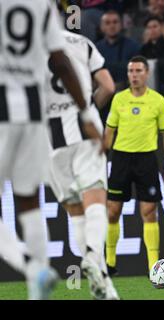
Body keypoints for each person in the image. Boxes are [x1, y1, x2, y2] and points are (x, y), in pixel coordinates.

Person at [0, 0, 102, 299]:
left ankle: (31, 266)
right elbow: (60, 61)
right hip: (33, 114)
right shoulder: (41, 6)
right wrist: (86, 114)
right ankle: (38, 285)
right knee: (29, 200)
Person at [45, 28, 119, 300]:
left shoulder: (22, 52)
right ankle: (91, 255)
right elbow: (108, 86)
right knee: (96, 199)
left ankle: (106, 288)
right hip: (85, 133)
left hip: (48, 142)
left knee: (75, 211)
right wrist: (89, 107)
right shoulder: (81, 43)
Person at [104, 56, 164, 276]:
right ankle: (109, 262)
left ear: (147, 73)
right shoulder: (118, 99)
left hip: (146, 160)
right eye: (130, 71)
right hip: (121, 159)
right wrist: (101, 159)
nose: (133, 75)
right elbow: (109, 132)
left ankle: (154, 267)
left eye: (138, 70)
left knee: (149, 212)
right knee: (113, 211)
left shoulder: (158, 101)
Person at [96, 10, 142, 92]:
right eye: (107, 23)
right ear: (102, 27)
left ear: (121, 25)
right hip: (104, 90)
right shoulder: (97, 48)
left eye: (115, 22)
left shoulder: (133, 46)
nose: (112, 26)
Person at [140, 15, 164, 96]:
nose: (152, 30)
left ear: (161, 27)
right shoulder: (143, 49)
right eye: (149, 27)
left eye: (155, 26)